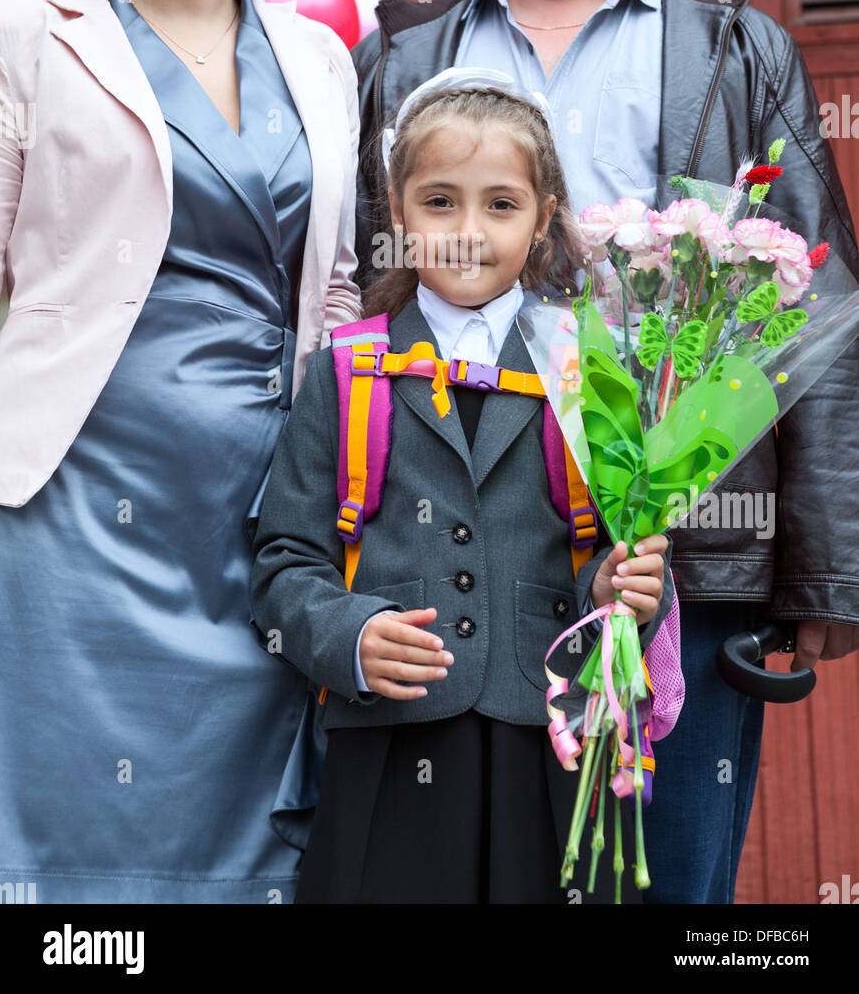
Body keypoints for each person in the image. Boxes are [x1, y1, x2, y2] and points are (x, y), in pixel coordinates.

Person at [351, 0, 859, 903]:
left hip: (676, 551)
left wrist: (822, 573)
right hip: (461, 549)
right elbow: (364, 293)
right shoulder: (400, 57)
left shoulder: (737, 49)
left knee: (671, 891)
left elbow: (815, 307)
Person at [0, 0, 361, 903]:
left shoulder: (318, 56)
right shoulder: (23, 41)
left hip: (267, 516)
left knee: (246, 854)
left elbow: (339, 285)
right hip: (72, 517)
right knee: (72, 856)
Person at [250, 78, 672, 904]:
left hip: (555, 743)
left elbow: (614, 556)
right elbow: (283, 560)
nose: (467, 233)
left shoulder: (591, 370)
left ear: (544, 215)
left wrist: (621, 589)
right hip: (388, 740)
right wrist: (348, 634)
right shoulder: (347, 367)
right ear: (399, 215)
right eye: (439, 202)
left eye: (501, 205)